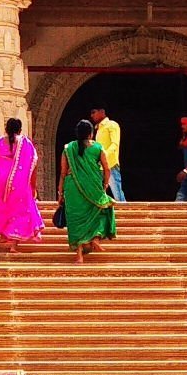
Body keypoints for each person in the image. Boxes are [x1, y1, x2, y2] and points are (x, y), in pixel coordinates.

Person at [0, 118, 44, 252]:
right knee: (19, 210)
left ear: (6, 128)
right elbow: (33, 166)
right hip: (19, 181)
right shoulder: (26, 144)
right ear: (20, 129)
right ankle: (14, 245)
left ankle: (2, 235)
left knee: (1, 207)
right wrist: (33, 186)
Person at [59, 119, 116, 263]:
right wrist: (105, 184)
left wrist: (60, 193)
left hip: (73, 188)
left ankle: (79, 255)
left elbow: (63, 173)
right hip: (93, 186)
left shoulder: (68, 148)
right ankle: (96, 238)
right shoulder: (98, 148)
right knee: (103, 209)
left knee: (76, 220)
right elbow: (107, 168)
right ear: (91, 134)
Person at [89, 106, 125, 203]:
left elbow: (115, 144)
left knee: (117, 194)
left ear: (102, 112)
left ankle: (125, 214)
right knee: (97, 193)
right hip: (99, 166)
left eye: (94, 112)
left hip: (110, 164)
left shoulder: (112, 125)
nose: (91, 115)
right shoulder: (99, 128)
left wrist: (104, 156)